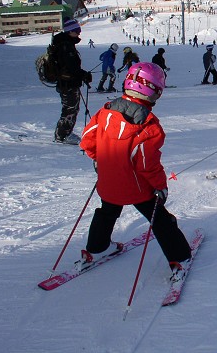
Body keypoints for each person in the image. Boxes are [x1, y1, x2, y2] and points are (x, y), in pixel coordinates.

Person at [78, 62, 192, 280]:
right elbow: (147, 164)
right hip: (138, 189)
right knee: (160, 219)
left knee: (107, 211)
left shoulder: (105, 112)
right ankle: (180, 257)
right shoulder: (149, 126)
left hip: (108, 183)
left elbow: (87, 141)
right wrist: (160, 186)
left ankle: (97, 247)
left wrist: (99, 160)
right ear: (155, 92)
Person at [52, 19, 92, 144]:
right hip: (67, 84)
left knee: (70, 108)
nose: (79, 33)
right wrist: (83, 75)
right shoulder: (66, 46)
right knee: (70, 109)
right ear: (70, 32)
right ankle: (63, 135)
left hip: (67, 82)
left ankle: (63, 133)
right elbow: (71, 67)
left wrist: (81, 75)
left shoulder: (64, 44)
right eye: (76, 31)